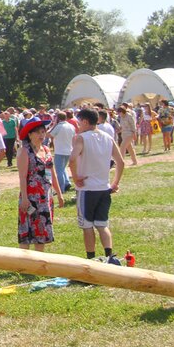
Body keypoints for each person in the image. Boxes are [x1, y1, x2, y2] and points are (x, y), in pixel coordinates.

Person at [69, 108, 126, 262]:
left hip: (87, 188)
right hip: (103, 187)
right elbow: (121, 162)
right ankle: (109, 256)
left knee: (87, 226)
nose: (78, 125)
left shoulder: (81, 138)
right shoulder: (108, 137)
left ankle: (91, 258)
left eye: (79, 122)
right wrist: (115, 183)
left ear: (86, 121)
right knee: (102, 224)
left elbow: (72, 159)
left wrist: (75, 177)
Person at [17, 118, 64, 251]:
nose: (41, 135)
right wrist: (25, 198)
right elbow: (22, 176)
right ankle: (24, 264)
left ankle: (39, 263)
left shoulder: (46, 149)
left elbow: (52, 173)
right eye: (38, 132)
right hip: (31, 197)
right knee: (27, 230)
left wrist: (59, 194)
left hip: (45, 196)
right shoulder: (24, 151)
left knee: (42, 230)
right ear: (30, 134)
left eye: (43, 132)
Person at [48, 111, 76, 193]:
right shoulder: (71, 126)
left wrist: (53, 125)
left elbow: (49, 135)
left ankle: (61, 188)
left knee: (59, 170)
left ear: (58, 118)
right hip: (69, 150)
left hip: (60, 150)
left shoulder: (58, 126)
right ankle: (67, 182)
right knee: (63, 168)